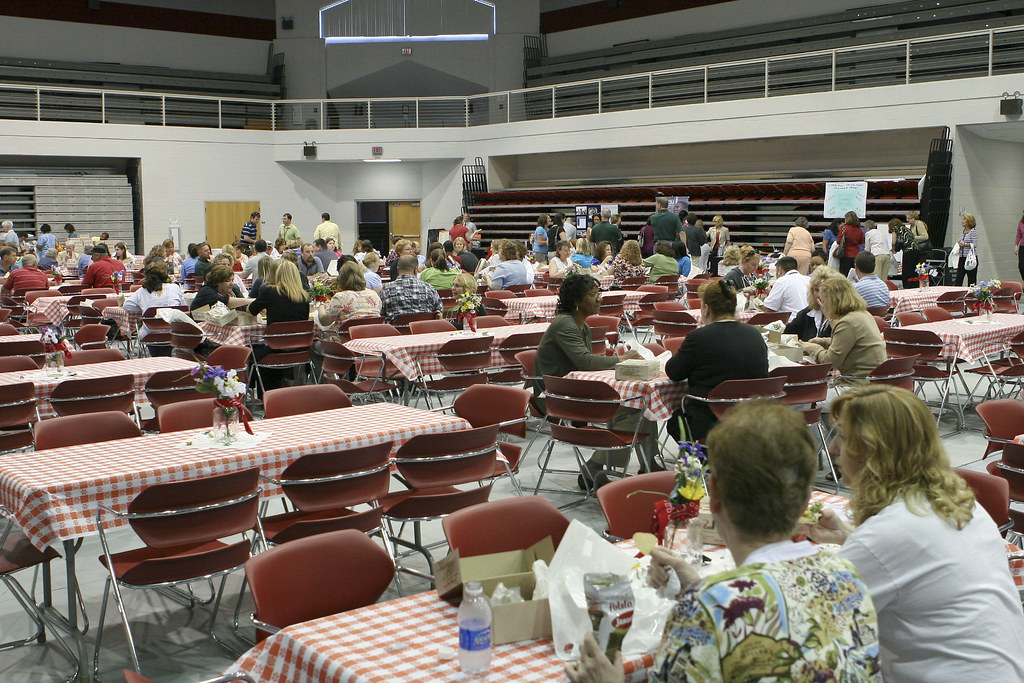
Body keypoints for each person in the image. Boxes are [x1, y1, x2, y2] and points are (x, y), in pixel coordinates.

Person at [568, 400, 881, 683]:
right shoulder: (847, 575)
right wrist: (695, 589)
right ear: (804, 504)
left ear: (713, 494)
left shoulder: (706, 608)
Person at [801, 385, 1024, 682]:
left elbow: (811, 621)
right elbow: (911, 562)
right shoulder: (956, 503)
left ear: (873, 449)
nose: (833, 448)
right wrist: (846, 534)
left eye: (841, 435)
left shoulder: (887, 534)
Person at [534, 273, 645, 486]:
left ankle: (648, 463)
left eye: (599, 294)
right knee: (635, 408)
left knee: (639, 405)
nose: (599, 299)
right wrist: (620, 359)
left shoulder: (581, 326)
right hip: (555, 398)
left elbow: (584, 364)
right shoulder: (565, 324)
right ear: (577, 301)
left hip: (572, 391)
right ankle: (594, 466)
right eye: (593, 295)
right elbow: (585, 362)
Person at [665, 280, 769, 441]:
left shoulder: (698, 338)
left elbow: (674, 372)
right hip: (752, 419)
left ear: (706, 309)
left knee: (674, 422)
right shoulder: (755, 335)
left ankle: (703, 462)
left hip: (709, 421)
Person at [798, 276, 886, 388]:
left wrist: (812, 348)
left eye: (823, 301)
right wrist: (823, 341)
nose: (823, 306)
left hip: (857, 386)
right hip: (874, 382)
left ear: (834, 301)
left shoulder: (847, 322)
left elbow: (829, 361)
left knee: (805, 402)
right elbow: (850, 344)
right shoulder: (863, 314)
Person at [123, 261, 186, 355]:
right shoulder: (175, 288)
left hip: (150, 333)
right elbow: (183, 307)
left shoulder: (142, 291)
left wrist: (143, 308)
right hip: (173, 332)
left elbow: (127, 306)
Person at [316, 260, 381, 330]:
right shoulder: (373, 294)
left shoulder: (340, 297)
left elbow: (324, 321)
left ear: (341, 279)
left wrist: (321, 305)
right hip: (370, 336)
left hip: (345, 338)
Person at [785, 265, 841, 341]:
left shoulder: (842, 316)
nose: (820, 294)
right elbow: (787, 333)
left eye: (824, 290)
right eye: (817, 290)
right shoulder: (807, 313)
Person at [380, 255, 442, 323]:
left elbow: (380, 313)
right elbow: (439, 310)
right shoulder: (429, 288)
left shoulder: (386, 289)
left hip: (394, 331)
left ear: (398, 270)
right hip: (422, 330)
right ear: (415, 270)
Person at [760, 255, 809, 321]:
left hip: (791, 323)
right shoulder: (808, 279)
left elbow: (768, 309)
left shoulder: (782, 281)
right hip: (810, 323)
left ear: (779, 270)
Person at [896, 210, 930, 289]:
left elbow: (925, 236)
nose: (907, 220)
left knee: (920, 269)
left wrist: (912, 238)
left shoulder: (919, 224)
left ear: (914, 218)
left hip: (920, 251)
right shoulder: (912, 226)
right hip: (915, 250)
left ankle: (922, 286)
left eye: (909, 218)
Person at [836, 211, 865, 276]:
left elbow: (838, 241)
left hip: (845, 254)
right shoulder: (859, 230)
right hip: (856, 254)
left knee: (844, 275)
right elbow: (861, 242)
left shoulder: (844, 229)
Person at [954, 212, 979, 286]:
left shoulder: (973, 232)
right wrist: (959, 244)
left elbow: (974, 245)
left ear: (969, 221)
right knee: (958, 278)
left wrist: (964, 244)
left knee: (971, 280)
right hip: (962, 257)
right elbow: (960, 241)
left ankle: (971, 295)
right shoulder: (962, 232)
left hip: (970, 258)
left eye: (964, 219)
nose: (962, 221)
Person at [1016, 210, 1024, 282]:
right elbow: (1018, 235)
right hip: (1022, 247)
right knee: (1021, 267)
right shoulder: (1021, 223)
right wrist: (1016, 245)